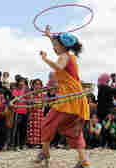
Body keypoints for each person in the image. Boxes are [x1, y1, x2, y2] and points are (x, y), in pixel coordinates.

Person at [35, 25, 90, 168]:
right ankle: (83, 160)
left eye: (56, 45)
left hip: (69, 100)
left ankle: (45, 152)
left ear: (63, 46)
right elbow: (56, 43)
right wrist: (49, 35)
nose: (54, 47)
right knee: (73, 129)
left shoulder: (64, 57)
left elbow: (58, 67)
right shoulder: (68, 55)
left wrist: (45, 59)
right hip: (75, 99)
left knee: (47, 123)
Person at [26, 79, 44, 148]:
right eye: (36, 84)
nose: (37, 86)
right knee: (32, 127)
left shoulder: (42, 95)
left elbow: (43, 105)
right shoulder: (30, 94)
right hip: (32, 113)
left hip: (39, 113)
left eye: (39, 84)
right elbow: (28, 104)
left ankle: (39, 143)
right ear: (33, 85)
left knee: (39, 128)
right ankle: (31, 143)